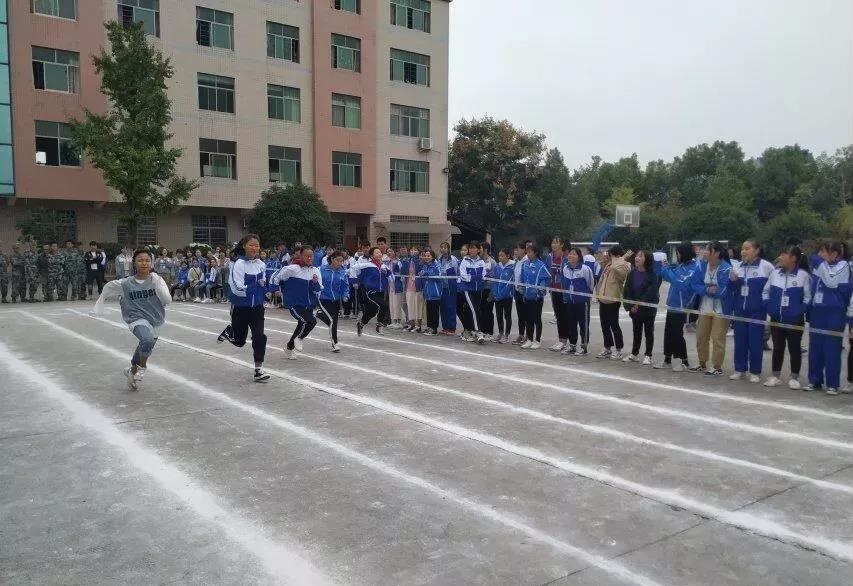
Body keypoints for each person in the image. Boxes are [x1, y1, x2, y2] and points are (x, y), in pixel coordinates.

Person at [91, 248, 171, 391]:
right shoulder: (125, 283)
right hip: (135, 318)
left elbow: (167, 300)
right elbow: (107, 289)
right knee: (146, 340)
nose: (144, 263)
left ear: (151, 263)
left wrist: (158, 285)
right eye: (140, 260)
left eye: (147, 260)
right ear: (134, 263)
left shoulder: (157, 280)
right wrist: (100, 305)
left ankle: (132, 371)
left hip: (156, 319)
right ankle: (142, 368)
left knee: (145, 346)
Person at [217, 234, 270, 382]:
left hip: (257, 308)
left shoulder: (261, 264)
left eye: (257, 245)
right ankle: (229, 332)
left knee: (259, 336)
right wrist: (255, 286)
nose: (254, 248)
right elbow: (237, 287)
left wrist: (265, 292)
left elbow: (263, 283)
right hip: (240, 307)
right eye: (251, 245)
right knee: (240, 341)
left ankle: (258, 369)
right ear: (244, 246)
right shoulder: (238, 264)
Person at [762, 245, 811, 389]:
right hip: (776, 318)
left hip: (795, 320)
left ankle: (794, 377)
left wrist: (798, 311)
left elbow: (808, 297)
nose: (780, 257)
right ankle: (775, 376)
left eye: (784, 254)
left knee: (794, 348)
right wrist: (769, 307)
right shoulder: (774, 273)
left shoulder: (803, 276)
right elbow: (765, 292)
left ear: (793, 258)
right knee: (777, 347)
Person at [807, 241, 852, 395]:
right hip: (818, 311)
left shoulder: (843, 265)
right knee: (815, 348)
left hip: (834, 312)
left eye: (823, 252)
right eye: (819, 252)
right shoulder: (821, 266)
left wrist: (819, 263)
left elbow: (831, 282)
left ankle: (832, 384)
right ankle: (815, 380)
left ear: (834, 254)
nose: (820, 255)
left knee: (831, 349)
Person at [727, 239, 774, 382]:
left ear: (757, 250)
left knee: (755, 342)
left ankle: (755, 371)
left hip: (757, 311)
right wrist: (733, 281)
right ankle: (739, 369)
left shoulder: (766, 266)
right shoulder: (737, 266)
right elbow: (731, 289)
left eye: (747, 248)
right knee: (740, 341)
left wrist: (765, 305)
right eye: (742, 248)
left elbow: (772, 288)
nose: (743, 251)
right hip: (740, 310)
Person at [689, 241, 732, 376]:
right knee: (701, 336)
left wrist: (710, 289)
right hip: (705, 307)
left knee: (718, 337)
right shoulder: (702, 266)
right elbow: (694, 284)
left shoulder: (726, 268)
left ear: (717, 253)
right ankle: (702, 362)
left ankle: (717, 366)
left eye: (708, 250)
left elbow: (723, 291)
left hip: (721, 309)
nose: (705, 253)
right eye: (705, 250)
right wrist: (708, 289)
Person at [271, 246, 323, 359]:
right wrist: (274, 289)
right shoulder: (292, 268)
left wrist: (315, 283)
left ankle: (289, 347)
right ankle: (299, 338)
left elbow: (318, 289)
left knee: (302, 325)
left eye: (311, 256)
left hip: (308, 304)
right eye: (306, 256)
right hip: (294, 303)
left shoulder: (315, 270)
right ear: (301, 255)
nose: (309, 258)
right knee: (310, 321)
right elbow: (275, 276)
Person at [656, 241, 698, 372]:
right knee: (669, 333)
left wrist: (666, 270)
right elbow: (670, 275)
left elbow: (680, 282)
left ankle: (684, 361)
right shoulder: (681, 266)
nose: (678, 255)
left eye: (678, 253)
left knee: (677, 334)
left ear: (684, 253)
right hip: (672, 304)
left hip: (682, 306)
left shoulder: (694, 268)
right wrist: (665, 268)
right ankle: (667, 359)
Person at [622, 251, 659, 365]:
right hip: (635, 309)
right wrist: (630, 306)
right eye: (637, 256)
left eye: (640, 256)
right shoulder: (632, 273)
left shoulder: (653, 274)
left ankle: (648, 355)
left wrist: (638, 304)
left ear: (647, 259)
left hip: (648, 309)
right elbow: (627, 290)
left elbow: (651, 292)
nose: (637, 258)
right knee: (636, 331)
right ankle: (634, 354)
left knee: (649, 332)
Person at [594, 245, 630, 360]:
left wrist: (618, 260)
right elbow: (600, 260)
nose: (609, 257)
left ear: (617, 255)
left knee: (614, 325)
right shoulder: (609, 264)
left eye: (611, 255)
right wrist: (602, 256)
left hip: (613, 299)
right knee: (604, 325)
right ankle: (607, 348)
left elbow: (622, 276)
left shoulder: (624, 265)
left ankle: (619, 349)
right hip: (603, 298)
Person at [560, 247, 594, 356]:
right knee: (571, 324)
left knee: (584, 324)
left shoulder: (585, 269)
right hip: (570, 302)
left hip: (582, 302)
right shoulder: (565, 268)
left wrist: (586, 296)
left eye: (574, 254)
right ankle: (572, 346)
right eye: (570, 254)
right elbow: (563, 284)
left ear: (579, 257)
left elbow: (590, 284)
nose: (571, 256)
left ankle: (584, 347)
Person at [349, 246, 390, 336]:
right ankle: (379, 324)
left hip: (381, 291)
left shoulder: (384, 266)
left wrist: (390, 277)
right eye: (377, 253)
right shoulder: (367, 265)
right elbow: (353, 268)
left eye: (380, 252)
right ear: (371, 256)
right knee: (384, 304)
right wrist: (354, 281)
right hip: (371, 291)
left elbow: (390, 274)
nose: (379, 254)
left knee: (373, 311)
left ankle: (361, 324)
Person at [315, 251, 349, 352]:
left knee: (333, 322)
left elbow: (345, 286)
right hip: (323, 299)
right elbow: (314, 282)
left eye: (341, 261)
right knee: (332, 321)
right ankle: (335, 344)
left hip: (336, 300)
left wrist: (345, 295)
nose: (340, 263)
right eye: (338, 260)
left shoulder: (343, 272)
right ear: (332, 259)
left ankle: (318, 314)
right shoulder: (320, 269)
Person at [519, 244, 550, 349]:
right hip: (526, 296)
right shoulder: (525, 264)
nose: (528, 254)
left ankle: (537, 340)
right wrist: (522, 289)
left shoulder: (541, 265)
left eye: (530, 252)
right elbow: (522, 278)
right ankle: (529, 339)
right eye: (527, 252)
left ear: (535, 253)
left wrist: (541, 288)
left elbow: (547, 277)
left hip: (536, 297)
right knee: (528, 319)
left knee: (537, 318)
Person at [458, 242, 487, 344]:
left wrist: (473, 277)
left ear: (478, 250)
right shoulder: (464, 261)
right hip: (467, 289)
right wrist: (475, 278)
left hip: (478, 290)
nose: (472, 250)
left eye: (474, 248)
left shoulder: (481, 262)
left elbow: (483, 276)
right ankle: (478, 332)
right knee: (474, 310)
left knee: (473, 310)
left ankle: (469, 330)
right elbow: (463, 276)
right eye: (470, 248)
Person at [545, 237, 569, 351]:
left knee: (565, 316)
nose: (553, 245)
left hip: (564, 291)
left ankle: (566, 341)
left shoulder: (566, 257)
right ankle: (561, 340)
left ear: (562, 245)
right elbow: (546, 272)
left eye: (556, 243)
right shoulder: (549, 257)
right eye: (553, 242)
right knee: (558, 316)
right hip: (554, 290)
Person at [492, 248, 516, 344]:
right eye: (499, 256)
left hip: (507, 296)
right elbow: (494, 281)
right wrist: (495, 293)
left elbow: (511, 283)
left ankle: (507, 335)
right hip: (497, 296)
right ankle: (500, 332)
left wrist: (504, 294)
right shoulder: (497, 266)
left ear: (508, 256)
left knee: (507, 315)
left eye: (502, 256)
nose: (500, 258)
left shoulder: (512, 266)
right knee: (499, 315)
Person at [438, 242, 458, 335]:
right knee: (443, 307)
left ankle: (451, 328)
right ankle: (445, 327)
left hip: (450, 286)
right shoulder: (439, 259)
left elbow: (456, 272)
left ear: (448, 249)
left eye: (445, 247)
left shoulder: (453, 259)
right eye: (441, 247)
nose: (443, 249)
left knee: (451, 307)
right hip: (441, 287)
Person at [511, 242, 529, 345]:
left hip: (525, 292)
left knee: (526, 314)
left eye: (517, 249)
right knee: (520, 314)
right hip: (517, 291)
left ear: (523, 250)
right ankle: (521, 334)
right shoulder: (516, 261)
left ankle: (528, 336)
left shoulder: (527, 261)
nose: (515, 251)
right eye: (515, 250)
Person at [404, 246, 424, 332]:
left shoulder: (420, 261)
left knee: (418, 307)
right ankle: (411, 324)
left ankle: (418, 325)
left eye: (415, 250)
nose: (413, 251)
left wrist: (415, 259)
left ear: (419, 252)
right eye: (411, 250)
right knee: (410, 306)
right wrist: (405, 261)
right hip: (409, 285)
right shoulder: (408, 260)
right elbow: (404, 271)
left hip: (418, 286)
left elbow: (419, 270)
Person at [479, 243, 497, 341]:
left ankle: (489, 333)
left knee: (488, 311)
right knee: (481, 310)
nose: (479, 250)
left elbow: (495, 279)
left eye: (480, 248)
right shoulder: (479, 261)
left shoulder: (492, 262)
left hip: (489, 289)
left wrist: (492, 293)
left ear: (485, 250)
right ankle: (482, 331)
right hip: (480, 289)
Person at [387, 249, 405, 329]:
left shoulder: (398, 262)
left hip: (397, 286)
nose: (389, 253)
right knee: (392, 304)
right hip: (390, 286)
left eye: (391, 251)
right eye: (388, 252)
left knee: (397, 304)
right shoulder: (388, 263)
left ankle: (399, 321)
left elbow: (401, 274)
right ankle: (393, 321)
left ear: (394, 252)